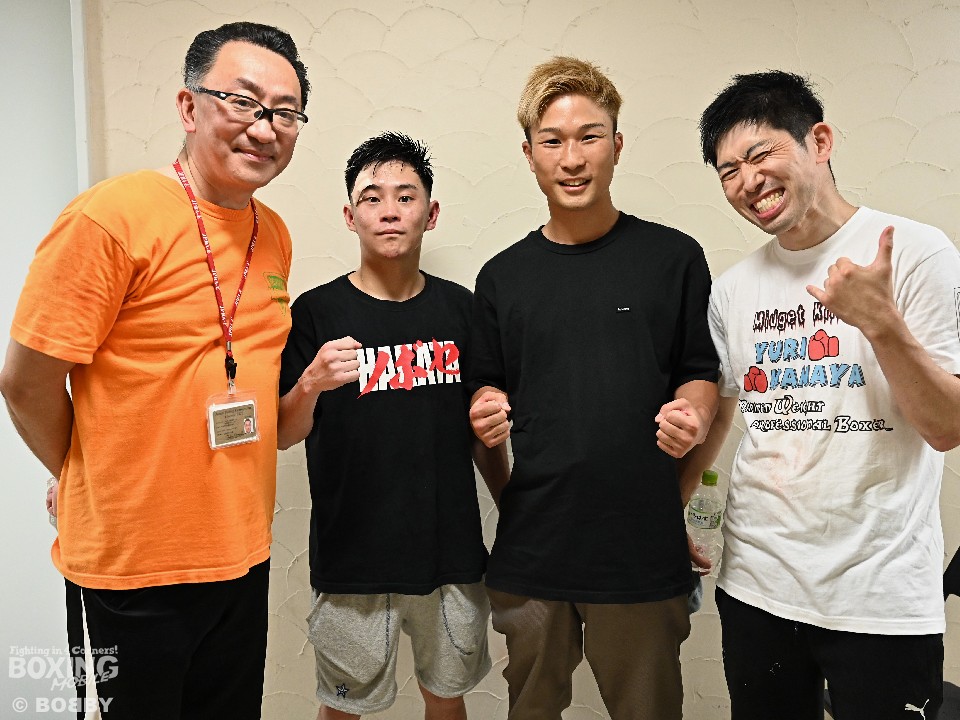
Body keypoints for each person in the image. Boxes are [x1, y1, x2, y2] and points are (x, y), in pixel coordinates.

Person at [0, 21, 310, 719]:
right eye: (243, 102)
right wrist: (85, 475)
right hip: (132, 570)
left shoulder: (274, 233)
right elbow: (26, 382)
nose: (264, 128)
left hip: (241, 554)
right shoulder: (111, 218)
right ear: (189, 106)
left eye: (285, 112)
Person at [697, 70, 960, 720]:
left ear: (818, 141)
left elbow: (946, 427)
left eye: (760, 154)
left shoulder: (915, 253)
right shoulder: (733, 289)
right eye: (728, 171)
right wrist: (669, 519)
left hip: (880, 598)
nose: (747, 181)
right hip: (756, 587)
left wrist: (881, 323)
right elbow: (720, 417)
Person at [466, 56, 719, 720]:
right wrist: (486, 415)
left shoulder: (673, 259)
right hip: (533, 553)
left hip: (640, 551)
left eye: (590, 136)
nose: (572, 158)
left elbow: (701, 371)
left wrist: (693, 414)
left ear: (618, 144)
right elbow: (485, 395)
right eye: (552, 141)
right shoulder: (501, 278)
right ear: (529, 154)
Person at [278, 132, 507, 720]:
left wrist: (512, 503)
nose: (389, 211)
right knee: (342, 709)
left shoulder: (462, 309)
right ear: (349, 215)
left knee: (447, 701)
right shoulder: (316, 312)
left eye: (405, 197)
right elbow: (283, 432)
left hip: (450, 552)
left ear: (431, 213)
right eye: (372, 197)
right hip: (351, 558)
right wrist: (311, 383)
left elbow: (481, 431)